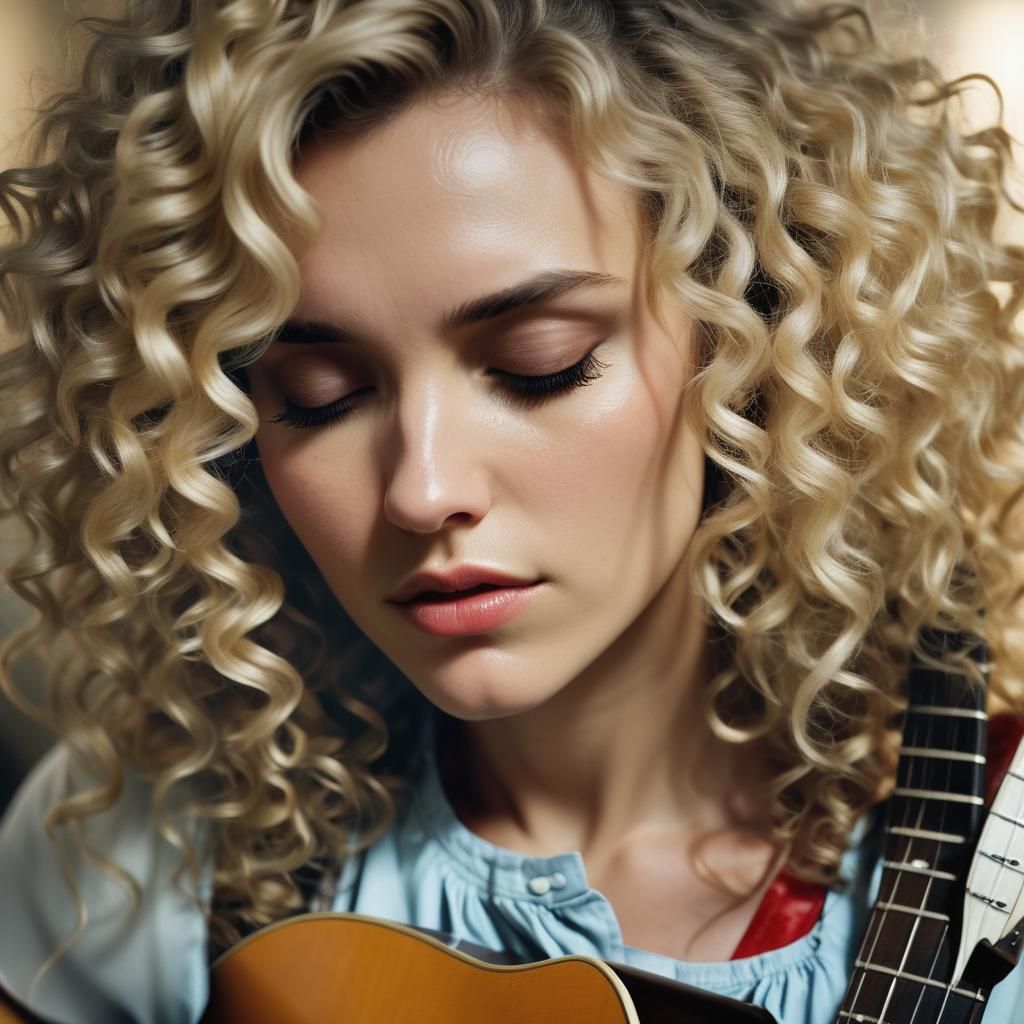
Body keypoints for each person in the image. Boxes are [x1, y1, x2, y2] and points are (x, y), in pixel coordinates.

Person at [1, 0, 1023, 1021]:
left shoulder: (999, 873)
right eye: (319, 393)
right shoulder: (144, 857)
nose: (423, 488)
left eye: (541, 367)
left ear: (743, 335)